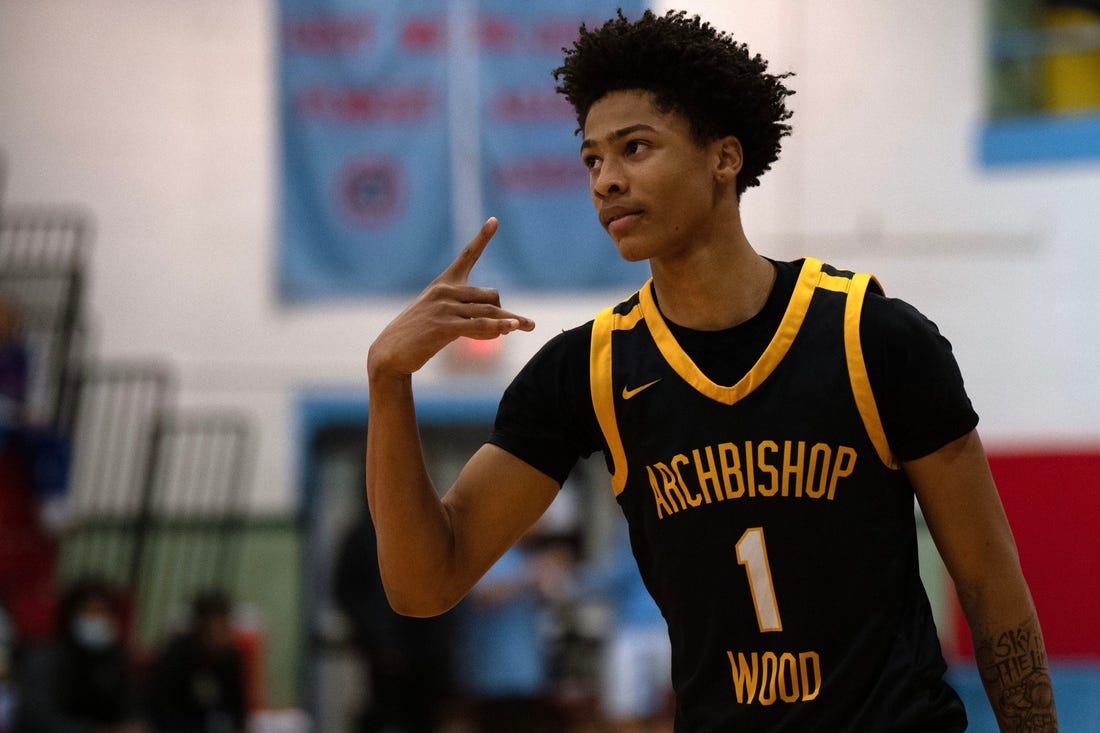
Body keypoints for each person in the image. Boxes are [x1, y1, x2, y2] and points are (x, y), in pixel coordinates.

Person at [364, 9, 1058, 732]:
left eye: (635, 148)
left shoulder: (873, 338)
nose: (605, 181)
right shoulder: (588, 369)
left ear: (724, 158)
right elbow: (423, 583)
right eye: (592, 160)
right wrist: (388, 380)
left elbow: (989, 587)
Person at [11, 578, 144, 733]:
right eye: (90, 612)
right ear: (71, 616)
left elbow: (133, 707)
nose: (97, 620)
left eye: (103, 612)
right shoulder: (44, 658)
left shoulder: (115, 660)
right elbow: (36, 717)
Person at [145, 590, 248, 733]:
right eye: (221, 624)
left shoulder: (230, 658)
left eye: (228, 623)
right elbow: (162, 713)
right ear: (202, 625)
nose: (227, 630)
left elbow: (239, 712)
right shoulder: (177, 656)